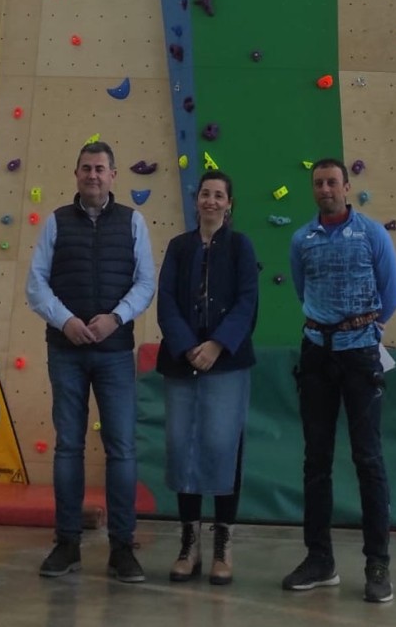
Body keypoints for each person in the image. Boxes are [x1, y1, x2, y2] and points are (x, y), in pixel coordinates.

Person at [26, 141, 156, 583]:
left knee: (121, 449)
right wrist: (65, 322)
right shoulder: (56, 222)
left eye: (101, 168)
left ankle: (122, 549)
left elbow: (145, 282)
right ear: (76, 174)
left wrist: (115, 319)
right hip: (65, 352)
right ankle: (67, 544)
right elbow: (36, 283)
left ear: (114, 175)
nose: (93, 175)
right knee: (68, 447)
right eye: (86, 168)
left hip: (116, 354)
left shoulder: (134, 222)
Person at [281, 158, 396, 604]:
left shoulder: (372, 234)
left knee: (368, 459)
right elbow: (300, 289)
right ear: (313, 190)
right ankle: (320, 560)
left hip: (361, 355)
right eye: (318, 183)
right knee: (317, 461)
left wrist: (361, 329)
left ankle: (378, 563)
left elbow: (390, 296)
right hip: (315, 355)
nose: (326, 189)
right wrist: (327, 328)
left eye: (333, 182)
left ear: (347, 187)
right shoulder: (301, 240)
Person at [156, 170, 258, 585]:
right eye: (205, 194)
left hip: (227, 363)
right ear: (195, 200)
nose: (211, 201)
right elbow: (165, 300)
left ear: (229, 204)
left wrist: (216, 345)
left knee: (222, 444)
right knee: (184, 446)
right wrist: (186, 347)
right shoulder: (178, 247)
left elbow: (247, 301)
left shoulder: (241, 246)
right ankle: (189, 546)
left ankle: (222, 547)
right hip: (182, 362)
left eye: (219, 195)